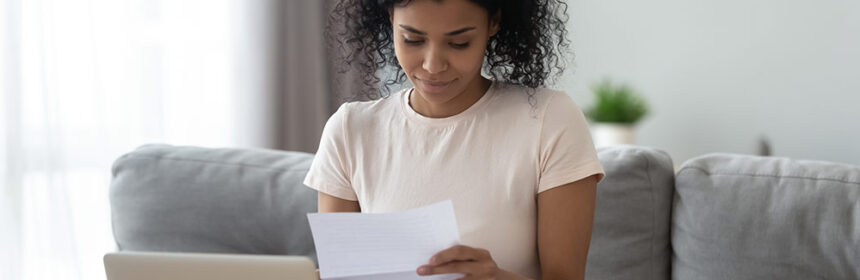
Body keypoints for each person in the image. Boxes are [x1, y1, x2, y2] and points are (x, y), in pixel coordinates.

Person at [303, 0, 605, 279]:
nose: (433, 66)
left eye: (459, 43)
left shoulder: (548, 120)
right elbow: (341, 272)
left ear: (493, 22)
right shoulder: (351, 129)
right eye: (413, 40)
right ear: (391, 18)